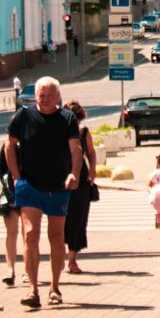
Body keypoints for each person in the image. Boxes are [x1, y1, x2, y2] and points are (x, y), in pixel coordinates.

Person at [5, 76, 82, 308]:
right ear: (35, 96)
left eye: (50, 95)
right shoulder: (23, 116)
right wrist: (17, 177)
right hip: (30, 185)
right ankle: (33, 290)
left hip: (59, 185)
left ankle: (55, 287)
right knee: (30, 234)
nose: (45, 99)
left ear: (57, 96)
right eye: (41, 95)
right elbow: (9, 145)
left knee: (56, 236)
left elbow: (76, 148)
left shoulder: (66, 118)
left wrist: (74, 173)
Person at [64, 100, 98, 275]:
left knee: (78, 219)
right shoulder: (58, 133)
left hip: (82, 181)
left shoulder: (84, 133)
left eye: (76, 118)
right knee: (62, 220)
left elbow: (91, 153)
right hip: (60, 178)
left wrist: (92, 170)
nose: (75, 122)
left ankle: (72, 260)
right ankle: (61, 253)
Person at [0, 141, 22, 286]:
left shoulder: (30, 144)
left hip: (28, 193)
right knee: (11, 233)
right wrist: (8, 189)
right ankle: (10, 270)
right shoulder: (6, 146)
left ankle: (28, 271)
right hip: (10, 193)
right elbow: (2, 171)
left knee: (28, 234)